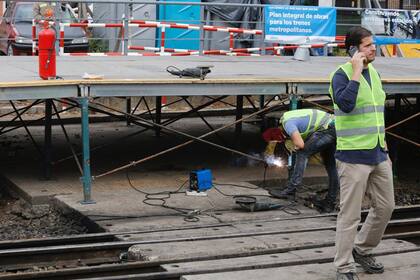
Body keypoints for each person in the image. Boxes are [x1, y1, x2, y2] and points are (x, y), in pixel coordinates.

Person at [330, 26, 395, 280]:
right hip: (352, 157)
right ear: (354, 50)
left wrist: (385, 148)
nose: (373, 48)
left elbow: (377, 115)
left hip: (378, 153)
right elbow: (345, 106)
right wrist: (356, 72)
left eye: (373, 44)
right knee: (350, 215)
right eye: (368, 45)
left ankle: (362, 248)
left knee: (386, 206)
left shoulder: (375, 73)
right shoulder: (341, 75)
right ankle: (344, 266)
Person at [263, 108, 339, 213]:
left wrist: (297, 146)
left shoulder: (288, 123)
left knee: (303, 153)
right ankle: (330, 203)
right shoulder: (287, 120)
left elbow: (300, 145)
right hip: (335, 126)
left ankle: (290, 190)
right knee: (330, 164)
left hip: (328, 128)